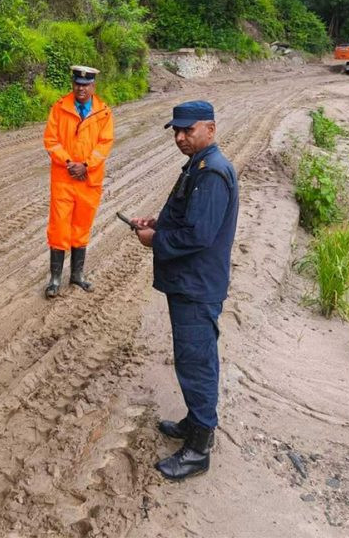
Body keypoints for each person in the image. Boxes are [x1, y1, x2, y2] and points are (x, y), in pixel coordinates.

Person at [132, 100, 238, 480]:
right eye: (176, 131)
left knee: (197, 362)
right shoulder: (200, 166)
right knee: (192, 357)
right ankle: (195, 423)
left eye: (187, 130)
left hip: (197, 285)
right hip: (192, 281)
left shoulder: (211, 172)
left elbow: (198, 233)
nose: (179, 137)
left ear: (209, 128)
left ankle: (198, 449)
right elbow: (188, 215)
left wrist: (153, 240)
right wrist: (158, 222)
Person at [42, 65, 115, 298]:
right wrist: (68, 162)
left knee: (81, 226)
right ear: (72, 84)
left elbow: (105, 144)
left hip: (88, 179)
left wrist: (85, 165)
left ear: (93, 86)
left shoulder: (103, 113)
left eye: (85, 85)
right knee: (59, 226)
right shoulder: (59, 108)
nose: (80, 88)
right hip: (63, 178)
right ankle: (55, 278)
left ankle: (77, 275)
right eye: (77, 84)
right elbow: (51, 140)